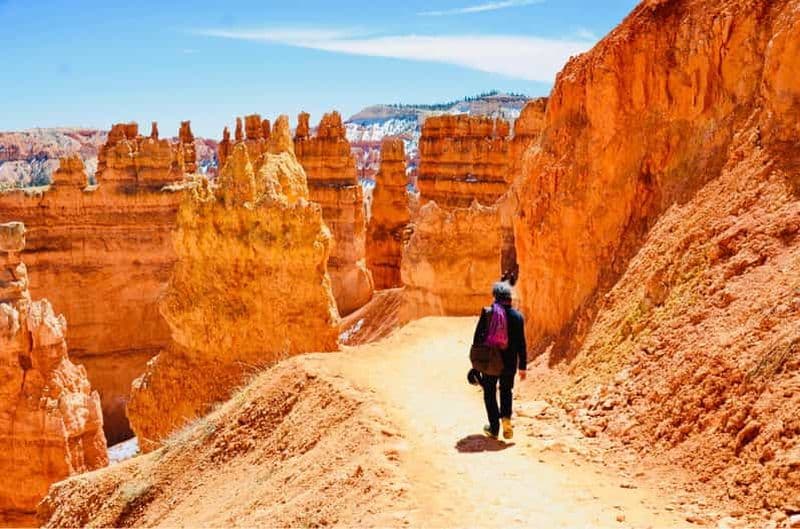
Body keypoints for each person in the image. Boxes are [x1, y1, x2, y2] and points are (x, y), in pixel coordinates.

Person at [472, 281, 527, 440]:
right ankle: (506, 421)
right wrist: (522, 366)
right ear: (510, 298)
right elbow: (522, 343)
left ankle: (494, 428)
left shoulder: (488, 313)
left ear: (495, 296)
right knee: (506, 391)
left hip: (491, 361)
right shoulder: (518, 317)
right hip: (510, 363)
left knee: (489, 392)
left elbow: (478, 341)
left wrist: (476, 365)